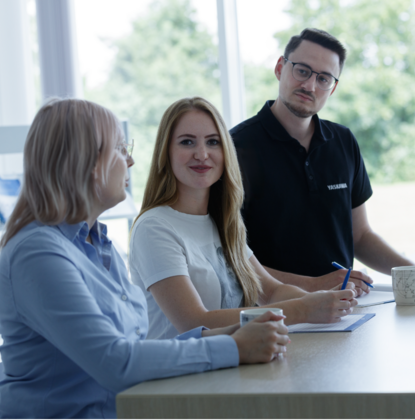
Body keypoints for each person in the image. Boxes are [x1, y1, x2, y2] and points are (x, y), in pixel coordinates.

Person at [0, 98, 289, 419]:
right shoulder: (38, 253)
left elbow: (135, 346)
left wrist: (231, 333)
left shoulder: (100, 245)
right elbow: (116, 362)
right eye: (120, 149)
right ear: (87, 160)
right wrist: (235, 347)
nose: (131, 161)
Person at [129, 96, 357, 340]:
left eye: (213, 142)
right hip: (182, 365)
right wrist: (303, 310)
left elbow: (271, 292)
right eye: (187, 142)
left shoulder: (222, 221)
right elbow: (194, 323)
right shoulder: (154, 227)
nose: (202, 154)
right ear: (166, 152)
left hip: (230, 360)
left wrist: (325, 301)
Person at [230, 28, 414, 296]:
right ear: (280, 68)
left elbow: (360, 236)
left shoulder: (344, 141)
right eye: (302, 71)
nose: (310, 86)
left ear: (333, 87)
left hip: (345, 309)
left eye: (323, 78)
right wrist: (314, 286)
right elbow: (229, 256)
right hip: (272, 312)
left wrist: (414, 272)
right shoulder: (235, 148)